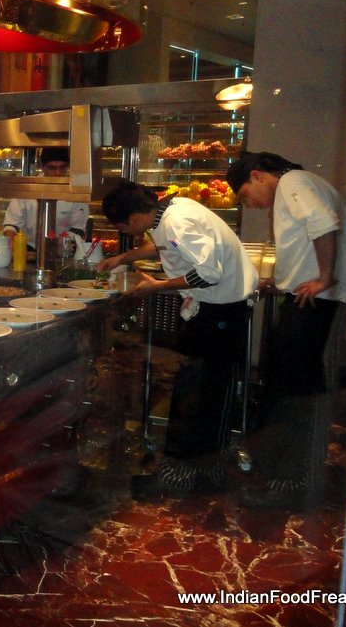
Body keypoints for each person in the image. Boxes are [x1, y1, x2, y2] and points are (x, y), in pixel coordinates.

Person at [97, 180, 258, 499]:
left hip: (219, 313)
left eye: (121, 227)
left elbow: (209, 273)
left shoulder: (176, 221)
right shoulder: (170, 212)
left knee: (198, 395)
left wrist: (156, 286)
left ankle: (183, 477)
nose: (124, 231)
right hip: (219, 310)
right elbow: (167, 246)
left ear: (134, 219)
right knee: (205, 395)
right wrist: (123, 258)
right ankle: (204, 473)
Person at [226, 151, 346, 509]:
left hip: (311, 300)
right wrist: (284, 281)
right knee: (292, 383)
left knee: (294, 390)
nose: (250, 205)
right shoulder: (305, 181)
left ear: (257, 175)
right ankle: (288, 471)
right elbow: (307, 238)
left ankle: (290, 480)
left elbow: (323, 225)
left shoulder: (292, 181)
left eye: (245, 196)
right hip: (306, 296)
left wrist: (323, 278)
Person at [2, 147, 89, 245]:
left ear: (68, 166)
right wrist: (10, 246)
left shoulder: (75, 192)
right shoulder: (28, 189)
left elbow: (78, 229)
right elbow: (11, 225)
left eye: (62, 167)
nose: (58, 173)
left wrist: (58, 245)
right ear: (42, 167)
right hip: (28, 248)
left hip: (64, 249)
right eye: (52, 168)